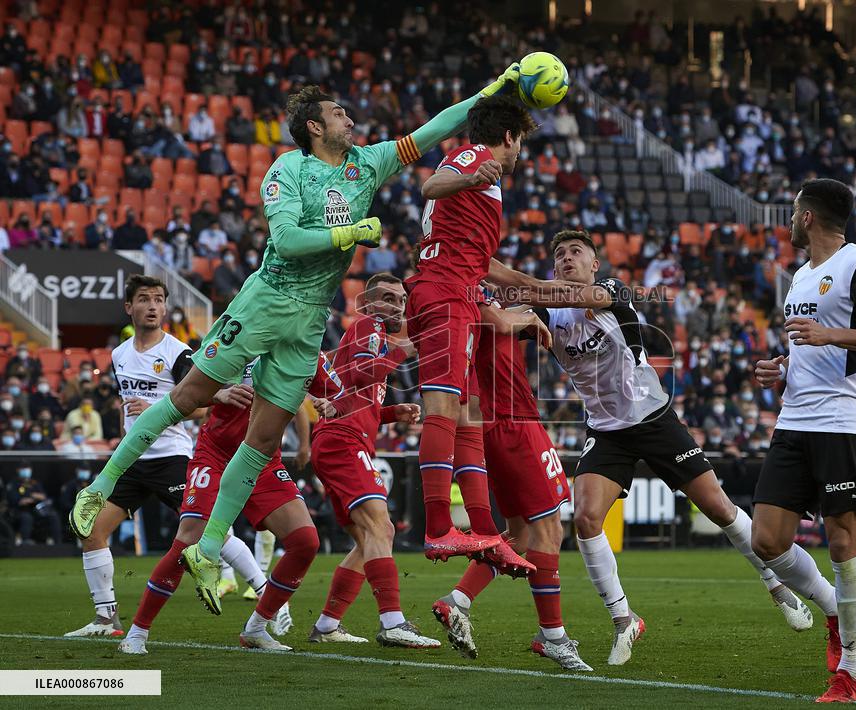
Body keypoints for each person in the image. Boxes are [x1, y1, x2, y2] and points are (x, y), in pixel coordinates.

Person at [72, 68, 524, 616]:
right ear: (314, 126)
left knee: (264, 440)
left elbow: (434, 129)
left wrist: (491, 89)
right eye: (338, 114)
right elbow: (285, 240)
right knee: (189, 397)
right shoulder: (290, 168)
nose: (349, 119)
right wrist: (350, 234)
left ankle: (209, 548)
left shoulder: (367, 163)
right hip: (266, 302)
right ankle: (99, 487)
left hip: (310, 321)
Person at [512, 229, 812, 666]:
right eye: (559, 254)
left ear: (595, 264)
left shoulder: (610, 289)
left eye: (576, 251)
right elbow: (502, 313)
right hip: (607, 429)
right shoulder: (546, 313)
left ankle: (775, 583)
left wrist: (503, 275)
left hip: (652, 418)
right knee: (586, 518)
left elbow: (546, 293)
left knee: (720, 509)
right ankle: (623, 618)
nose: (566, 258)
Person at [750, 179, 856, 702]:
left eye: (794, 211)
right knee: (767, 540)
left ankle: (851, 670)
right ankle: (835, 613)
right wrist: (782, 367)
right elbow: (811, 346)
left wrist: (831, 335)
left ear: (809, 218)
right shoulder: (800, 277)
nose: (791, 220)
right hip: (795, 418)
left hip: (845, 421)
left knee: (845, 543)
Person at [63, 275, 257, 638]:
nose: (152, 306)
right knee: (91, 530)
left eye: (158, 300)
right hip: (132, 460)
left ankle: (267, 595)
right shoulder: (119, 355)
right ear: (129, 307)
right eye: (144, 299)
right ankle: (107, 620)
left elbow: (200, 406)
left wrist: (153, 406)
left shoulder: (179, 352)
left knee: (207, 531)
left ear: (165, 308)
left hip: (172, 458)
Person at [405, 94, 538, 567]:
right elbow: (432, 184)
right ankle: (439, 527)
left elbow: (480, 260)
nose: (520, 151)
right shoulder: (478, 158)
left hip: (457, 291)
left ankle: (484, 533)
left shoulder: (486, 183)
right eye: (520, 140)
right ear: (508, 136)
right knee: (444, 407)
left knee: (470, 412)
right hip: (443, 293)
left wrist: (530, 285)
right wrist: (469, 174)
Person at [432, 297, 590, 671]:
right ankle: (552, 636)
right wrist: (529, 316)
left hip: (495, 423)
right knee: (550, 530)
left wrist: (525, 315)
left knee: (518, 535)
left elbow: (504, 318)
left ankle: (458, 600)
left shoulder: (461, 299)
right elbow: (500, 321)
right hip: (513, 421)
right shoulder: (467, 294)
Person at [118, 362, 317, 654]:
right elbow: (188, 397)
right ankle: (136, 633)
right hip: (217, 456)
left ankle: (256, 629)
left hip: (263, 459)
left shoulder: (299, 346)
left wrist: (326, 409)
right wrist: (218, 395)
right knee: (188, 540)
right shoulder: (234, 338)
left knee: (305, 542)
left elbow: (317, 394)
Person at [306, 274, 439, 649]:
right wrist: (403, 350)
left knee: (368, 540)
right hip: (344, 443)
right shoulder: (370, 325)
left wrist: (393, 411)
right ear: (366, 303)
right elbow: (364, 375)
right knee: (383, 528)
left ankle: (328, 625)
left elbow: (355, 395)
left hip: (340, 439)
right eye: (386, 298)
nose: (395, 305)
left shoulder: (370, 334)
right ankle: (393, 622)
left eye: (400, 300)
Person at [6, 463, 60, 545]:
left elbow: (43, 496)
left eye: (27, 468)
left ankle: (58, 542)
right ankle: (25, 542)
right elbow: (14, 500)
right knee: (27, 518)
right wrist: (26, 499)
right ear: (18, 470)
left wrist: (33, 496)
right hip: (21, 511)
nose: (26, 471)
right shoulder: (14, 483)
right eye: (23, 468)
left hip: (37, 510)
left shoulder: (35, 482)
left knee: (53, 516)